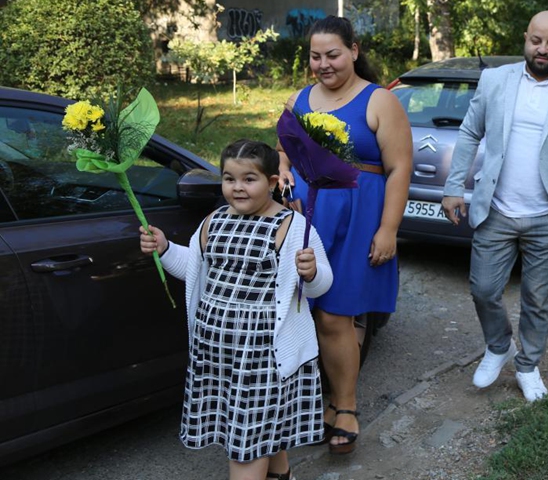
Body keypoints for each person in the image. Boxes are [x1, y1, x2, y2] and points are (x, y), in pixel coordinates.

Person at [139, 139, 333, 480]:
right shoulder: (214, 220)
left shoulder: (294, 228)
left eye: (249, 179)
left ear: (272, 182)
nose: (237, 188)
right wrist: (166, 247)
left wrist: (312, 272)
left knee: (247, 445)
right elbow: (194, 268)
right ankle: (281, 474)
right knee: (258, 431)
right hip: (217, 354)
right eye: (229, 179)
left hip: (262, 357)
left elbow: (320, 285)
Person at [441, 11, 548, 403]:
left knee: (537, 298)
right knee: (483, 289)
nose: (542, 50)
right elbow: (469, 133)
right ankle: (499, 345)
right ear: (526, 38)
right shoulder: (496, 80)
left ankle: (528, 366)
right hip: (495, 209)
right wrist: (452, 187)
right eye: (536, 41)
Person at [277, 15, 412, 454]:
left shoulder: (379, 101)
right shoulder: (302, 97)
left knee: (338, 314)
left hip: (359, 218)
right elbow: (284, 148)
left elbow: (398, 169)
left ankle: (346, 406)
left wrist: (388, 228)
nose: (323, 64)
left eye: (332, 54)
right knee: (311, 315)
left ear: (354, 50)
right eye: (315, 56)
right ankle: (329, 403)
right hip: (309, 219)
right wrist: (283, 174)